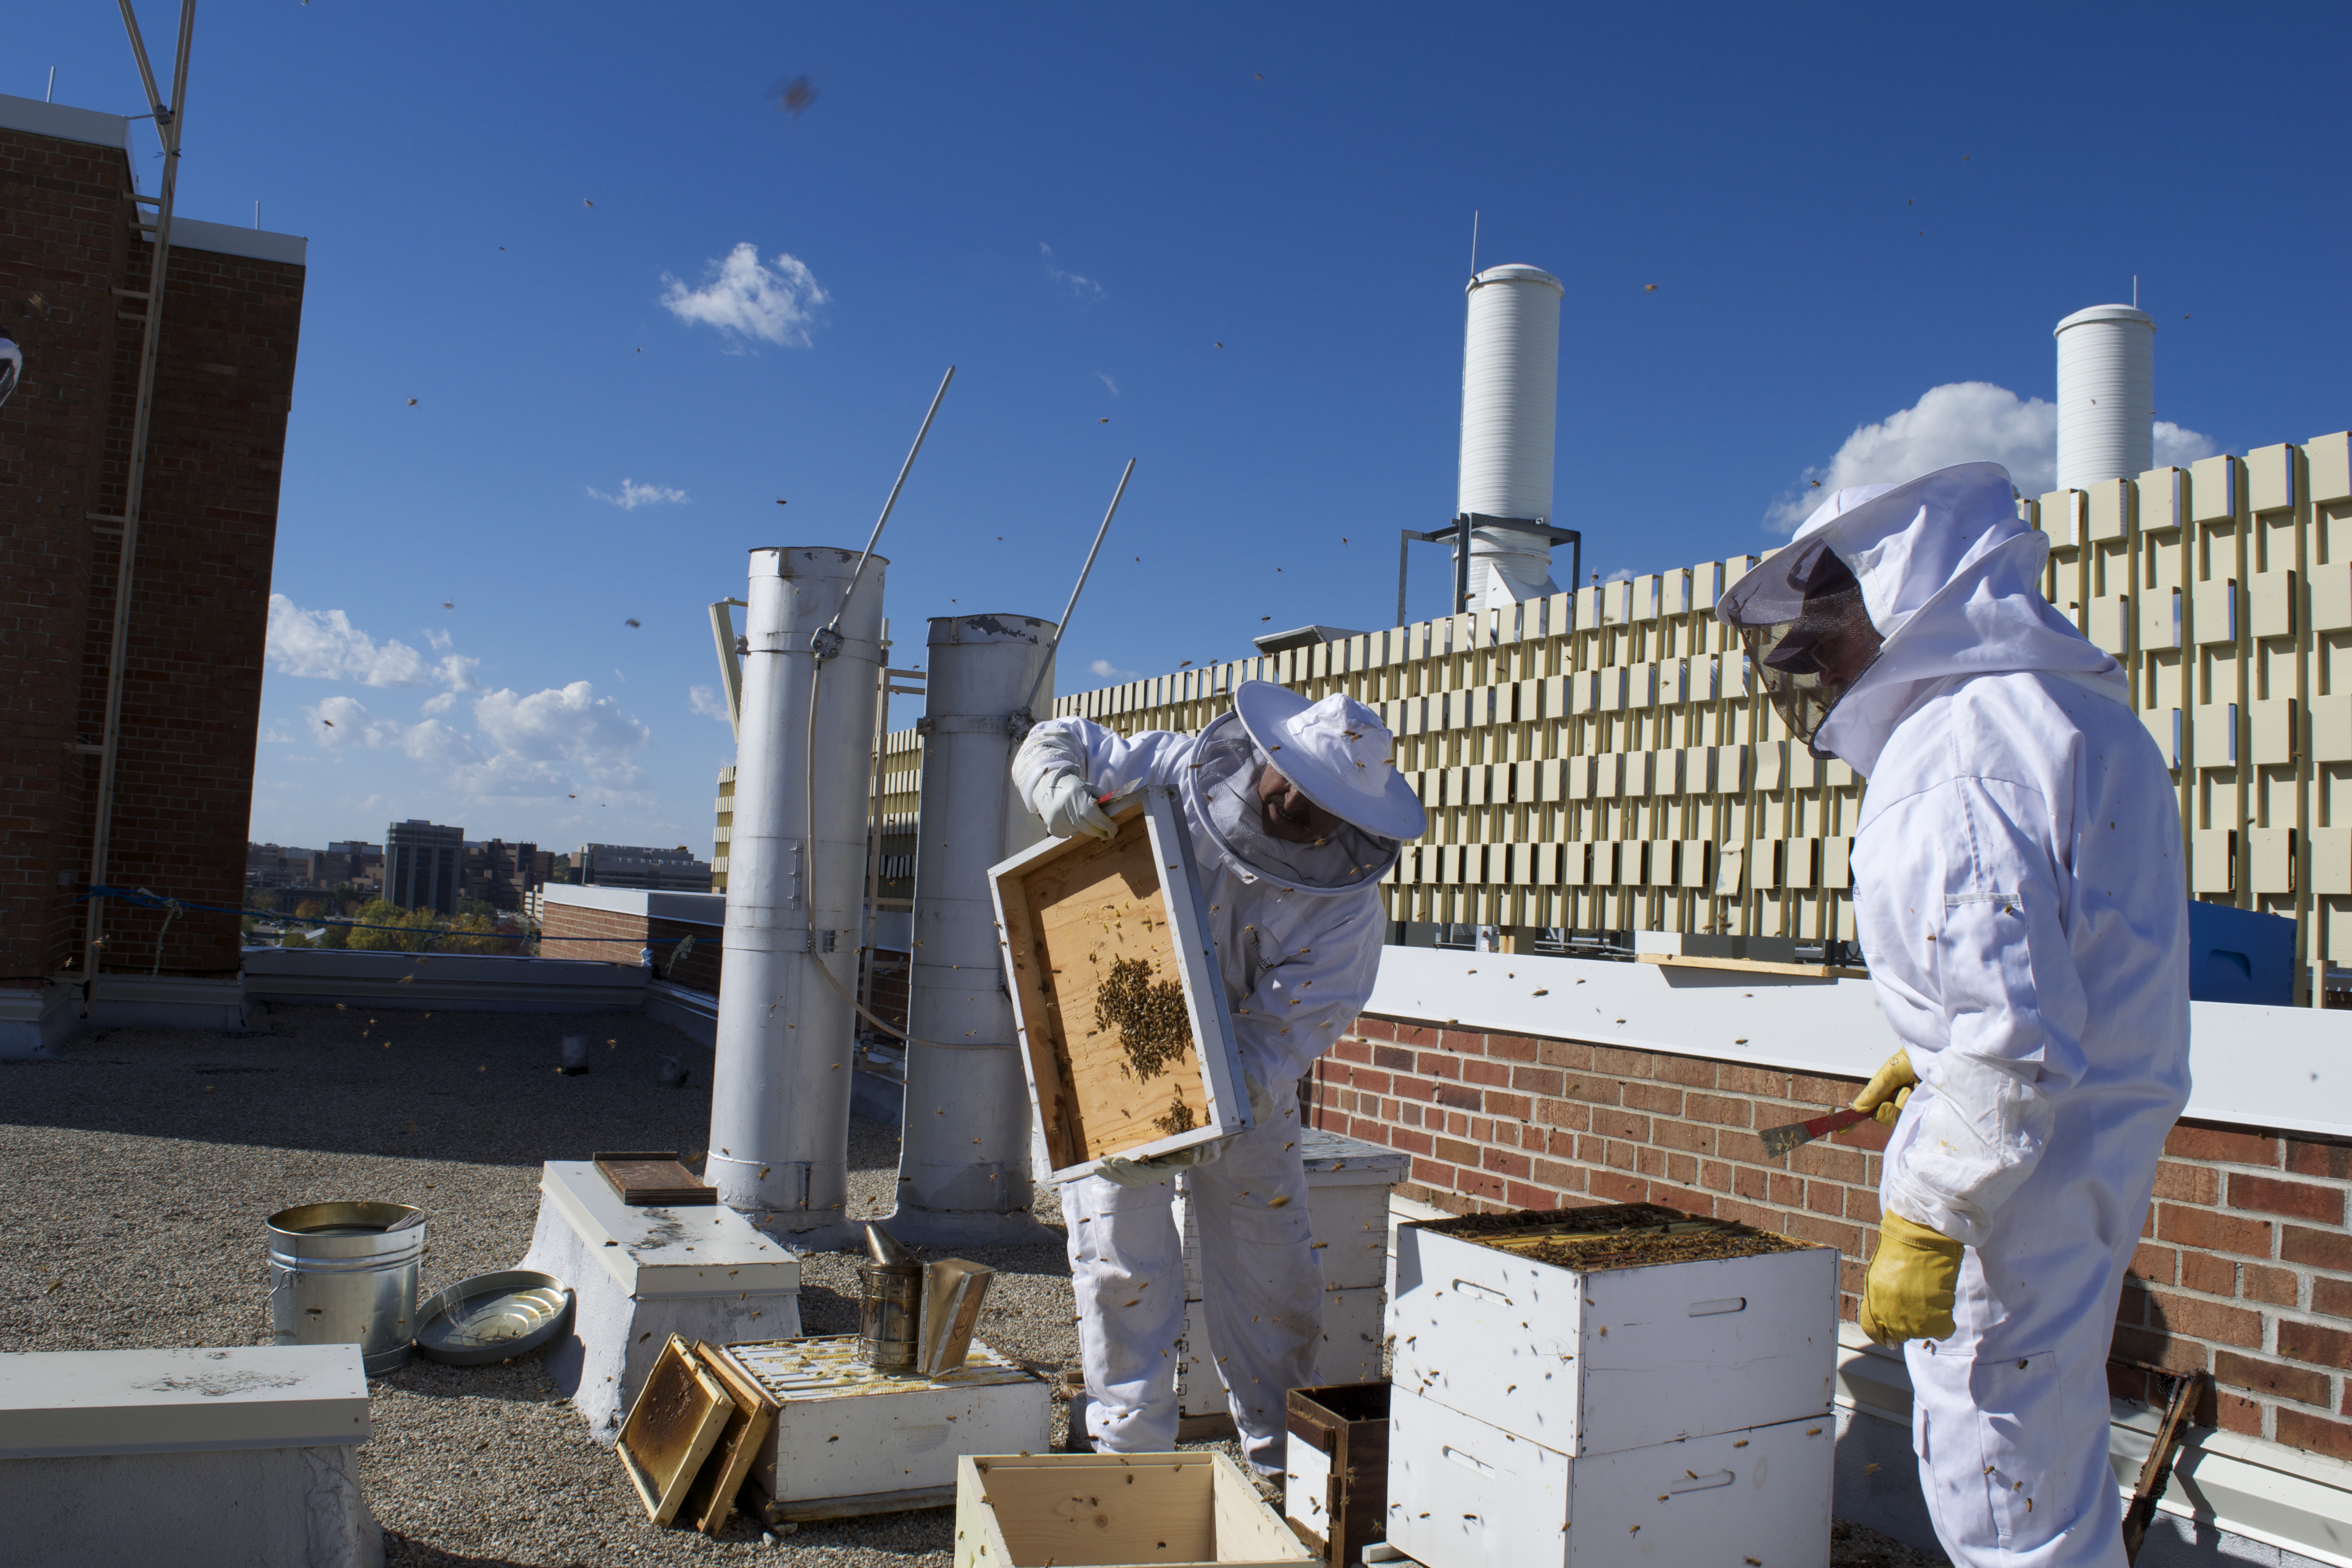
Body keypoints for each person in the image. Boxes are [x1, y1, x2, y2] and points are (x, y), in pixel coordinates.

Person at [1718, 463, 2190, 1567]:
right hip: (2087, 1155)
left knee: (2008, 1507)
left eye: (1822, 637)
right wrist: (1924, 1046)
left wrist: (1928, 1213)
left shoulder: (1948, 759)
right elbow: (2062, 963)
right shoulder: (2079, 718)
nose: (1817, 668)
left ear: (1897, 594)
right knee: (2052, 1469)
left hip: (2009, 1198)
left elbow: (2001, 1049)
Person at [1011, 680, 1424, 1474]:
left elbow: (1279, 1043)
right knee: (1120, 1257)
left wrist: (1208, 1111)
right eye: (1290, 782)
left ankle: (1280, 1467)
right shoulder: (1166, 768)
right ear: (1262, 755)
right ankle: (1127, 1459)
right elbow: (1056, 736)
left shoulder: (1345, 913)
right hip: (1115, 1055)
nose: (1299, 805)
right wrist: (1057, 788)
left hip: (1244, 1090)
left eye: (1323, 803)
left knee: (1271, 1270)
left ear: (1356, 821)